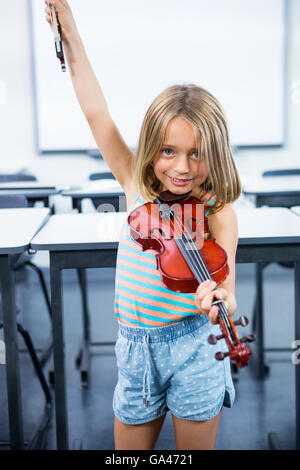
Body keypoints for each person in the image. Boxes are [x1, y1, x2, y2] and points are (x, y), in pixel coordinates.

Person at [45, 0, 242, 450]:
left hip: (195, 349)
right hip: (135, 352)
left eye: (197, 153)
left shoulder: (217, 211)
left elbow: (226, 284)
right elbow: (96, 111)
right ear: (151, 147)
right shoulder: (136, 182)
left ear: (216, 151)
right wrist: (70, 31)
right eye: (168, 150)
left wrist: (219, 302)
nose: (182, 167)